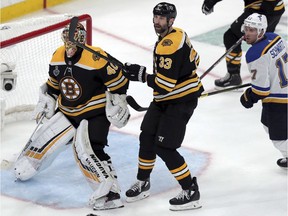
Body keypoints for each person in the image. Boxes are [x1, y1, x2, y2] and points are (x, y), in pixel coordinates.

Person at [13, 22, 131, 210]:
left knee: (87, 150)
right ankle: (31, 161)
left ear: (82, 40)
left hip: (94, 113)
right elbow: (53, 84)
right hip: (67, 112)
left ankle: (111, 194)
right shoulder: (57, 55)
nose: (69, 45)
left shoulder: (95, 57)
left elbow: (119, 82)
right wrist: (48, 98)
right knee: (43, 138)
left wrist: (118, 102)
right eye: (67, 39)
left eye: (74, 40)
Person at [122, 2, 204, 211]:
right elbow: (195, 60)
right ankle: (143, 181)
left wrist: (141, 75)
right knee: (147, 136)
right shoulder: (178, 34)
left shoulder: (168, 45)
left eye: (161, 19)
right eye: (155, 17)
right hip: (164, 100)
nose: (157, 22)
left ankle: (190, 190)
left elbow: (166, 85)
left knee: (165, 146)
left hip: (179, 102)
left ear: (171, 20)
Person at [240, 13, 287, 168]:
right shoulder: (275, 37)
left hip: (280, 99)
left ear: (260, 31)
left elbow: (261, 91)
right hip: (283, 89)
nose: (247, 33)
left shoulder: (255, 54)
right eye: (246, 28)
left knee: (279, 138)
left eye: (252, 30)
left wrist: (248, 97)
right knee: (266, 123)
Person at [201, 0, 285, 89]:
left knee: (231, 36)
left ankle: (233, 76)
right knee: (262, 39)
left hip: (264, 8)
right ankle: (270, 71)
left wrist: (262, 14)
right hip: (274, 8)